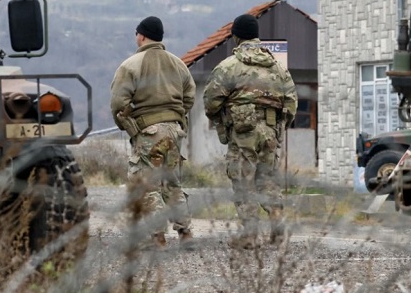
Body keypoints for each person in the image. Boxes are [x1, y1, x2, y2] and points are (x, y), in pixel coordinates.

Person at [204, 14, 297, 249]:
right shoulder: (278, 68)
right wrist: (277, 126)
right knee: (267, 180)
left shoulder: (229, 67)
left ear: (235, 37)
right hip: (270, 132)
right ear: (257, 37)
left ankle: (250, 236)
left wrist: (225, 116)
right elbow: (291, 101)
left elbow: (211, 102)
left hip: (243, 132)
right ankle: (277, 230)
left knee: (243, 183)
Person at [110, 16, 196, 248]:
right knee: (172, 182)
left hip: (149, 132)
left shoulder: (131, 65)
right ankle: (185, 233)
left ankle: (157, 236)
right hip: (174, 131)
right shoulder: (178, 64)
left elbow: (119, 102)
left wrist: (130, 127)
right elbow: (189, 96)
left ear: (141, 35)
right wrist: (176, 117)